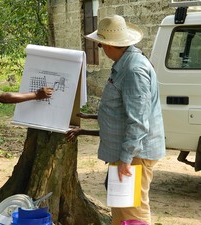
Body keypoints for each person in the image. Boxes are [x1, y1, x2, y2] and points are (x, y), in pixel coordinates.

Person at [67, 15, 165, 225]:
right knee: (121, 209)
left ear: (108, 45)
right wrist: (92, 116)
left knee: (134, 211)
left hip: (136, 153)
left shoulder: (133, 70)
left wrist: (126, 159)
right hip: (128, 152)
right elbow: (123, 110)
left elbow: (138, 121)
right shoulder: (125, 63)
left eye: (101, 44)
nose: (100, 48)